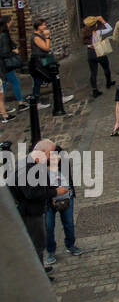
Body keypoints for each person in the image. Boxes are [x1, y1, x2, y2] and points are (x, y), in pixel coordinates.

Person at [16, 140, 58, 274]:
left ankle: (41, 268)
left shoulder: (32, 165)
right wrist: (55, 192)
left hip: (33, 211)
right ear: (43, 152)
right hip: (29, 214)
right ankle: (39, 273)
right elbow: (31, 193)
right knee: (37, 243)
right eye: (49, 154)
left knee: (39, 242)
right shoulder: (25, 168)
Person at [44, 143, 82, 266]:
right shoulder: (40, 167)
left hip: (66, 198)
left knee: (69, 224)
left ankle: (70, 245)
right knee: (49, 227)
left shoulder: (63, 163)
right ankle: (50, 251)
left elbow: (67, 179)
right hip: (49, 201)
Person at [30, 18, 69, 115]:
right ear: (38, 27)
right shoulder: (35, 37)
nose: (45, 26)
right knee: (43, 79)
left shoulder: (39, 35)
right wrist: (47, 37)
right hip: (39, 61)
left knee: (55, 75)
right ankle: (38, 100)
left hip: (45, 58)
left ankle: (59, 96)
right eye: (43, 25)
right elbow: (46, 48)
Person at [80, 15, 114, 98]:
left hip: (90, 53)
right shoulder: (98, 32)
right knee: (106, 67)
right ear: (95, 25)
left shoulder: (84, 32)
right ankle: (108, 83)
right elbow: (110, 28)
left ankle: (95, 90)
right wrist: (102, 20)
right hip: (99, 51)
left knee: (93, 72)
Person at [0, 18, 24, 122]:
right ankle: (20, 103)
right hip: (5, 65)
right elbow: (4, 53)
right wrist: (14, 52)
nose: (11, 24)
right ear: (6, 23)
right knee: (12, 82)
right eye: (10, 22)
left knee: (4, 85)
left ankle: (3, 108)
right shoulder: (4, 36)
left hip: (2, 66)